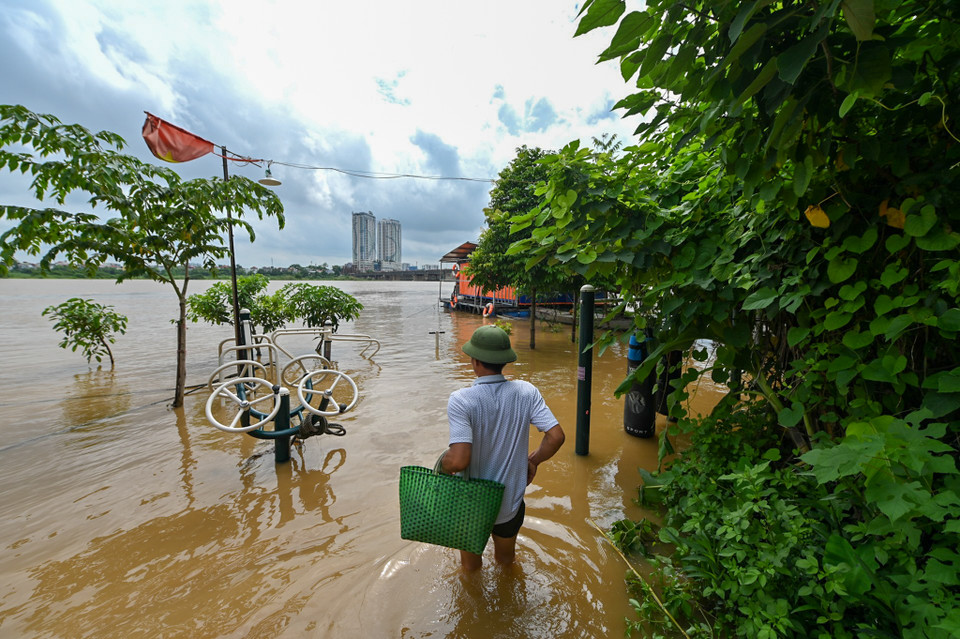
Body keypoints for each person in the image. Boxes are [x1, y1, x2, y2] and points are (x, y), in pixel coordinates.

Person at [441, 325, 565, 571]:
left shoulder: (461, 400)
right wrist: (534, 460)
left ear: (475, 361)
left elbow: (458, 460)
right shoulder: (526, 392)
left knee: (470, 569)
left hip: (471, 504)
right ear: (504, 361)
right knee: (507, 562)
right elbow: (555, 436)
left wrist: (442, 464)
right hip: (510, 503)